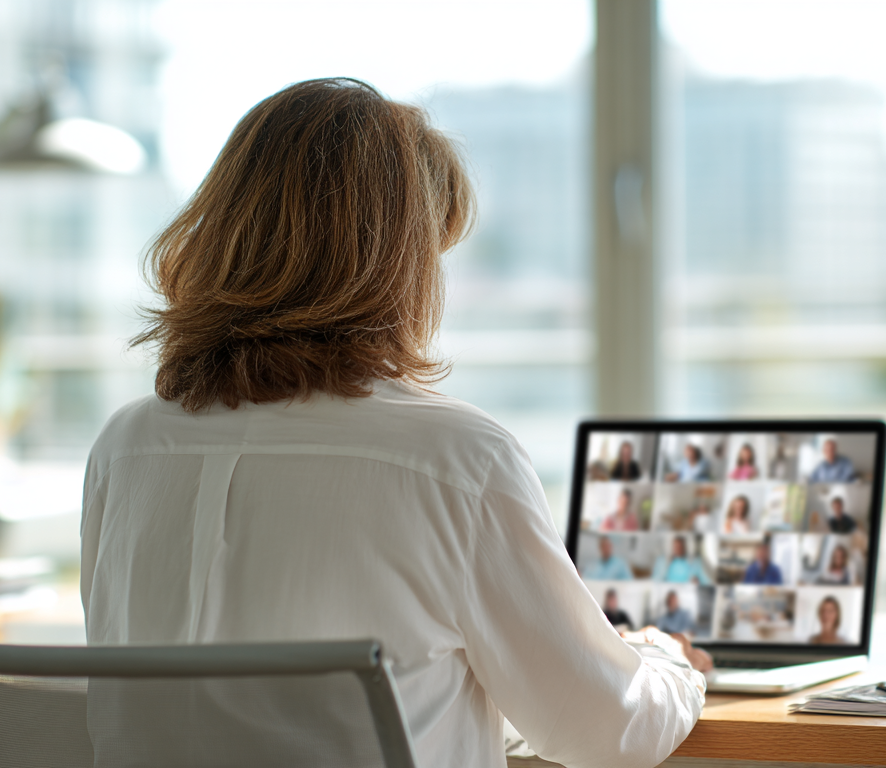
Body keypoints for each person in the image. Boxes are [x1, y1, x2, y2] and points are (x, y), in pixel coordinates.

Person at [81, 78, 705, 768]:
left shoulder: (126, 448)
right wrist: (664, 658)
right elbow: (605, 734)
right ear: (398, 264)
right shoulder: (457, 459)